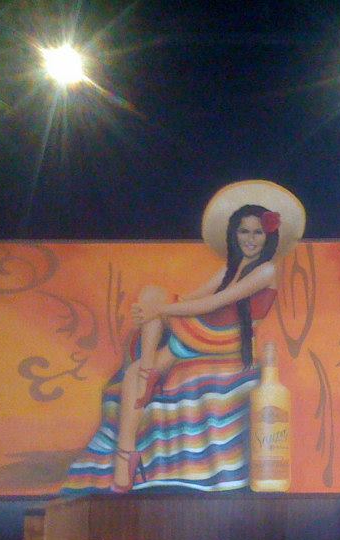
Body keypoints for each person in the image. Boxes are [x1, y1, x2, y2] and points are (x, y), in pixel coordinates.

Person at [65, 180, 305, 493]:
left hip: (224, 338)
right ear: (234, 234)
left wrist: (159, 310)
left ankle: (148, 374)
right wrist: (158, 309)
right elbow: (194, 297)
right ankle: (126, 453)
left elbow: (215, 303)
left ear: (268, 236)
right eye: (244, 231)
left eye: (257, 232)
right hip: (199, 336)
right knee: (137, 364)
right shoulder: (230, 267)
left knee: (156, 301)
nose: (250, 239)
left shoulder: (266, 271)